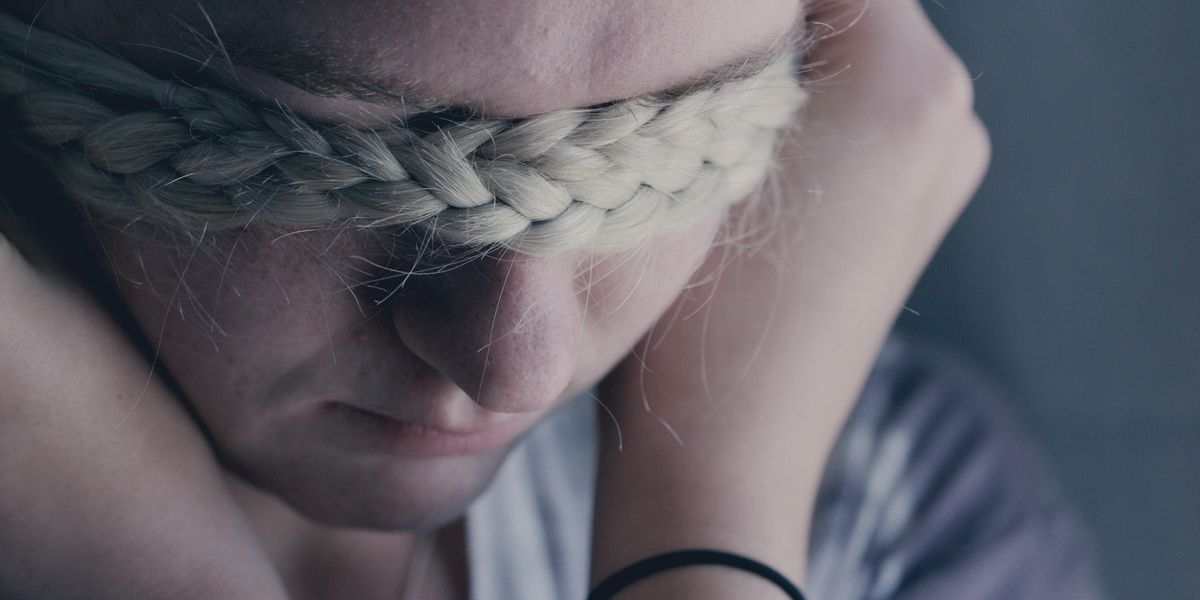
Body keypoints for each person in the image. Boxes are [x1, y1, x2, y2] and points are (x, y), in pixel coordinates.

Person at [0, 0, 1103, 598]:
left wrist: (708, 514)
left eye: (652, 154)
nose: (513, 362)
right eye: (330, 158)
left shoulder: (899, 516)